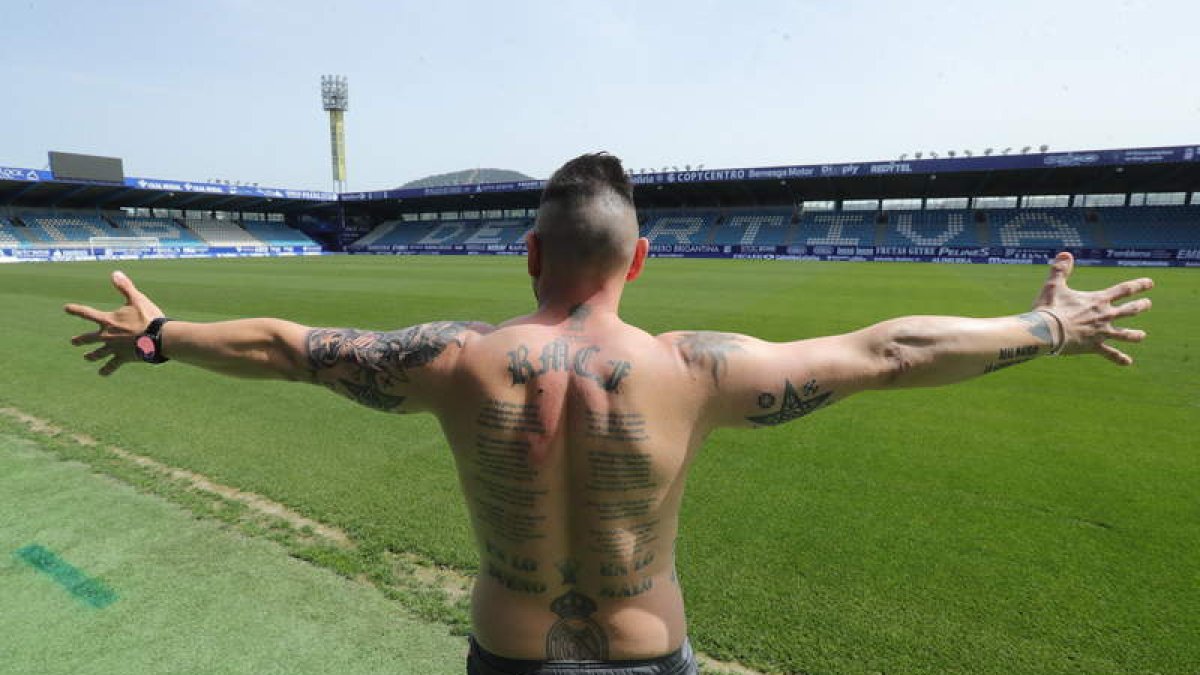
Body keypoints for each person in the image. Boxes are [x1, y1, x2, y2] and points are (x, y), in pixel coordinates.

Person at [66, 153, 1153, 675]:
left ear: (529, 252)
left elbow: (289, 348)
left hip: (511, 652)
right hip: (646, 655)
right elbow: (890, 352)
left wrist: (162, 336)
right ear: (641, 256)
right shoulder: (697, 368)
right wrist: (1046, 327)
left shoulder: (457, 360)